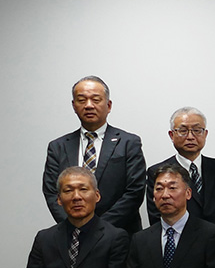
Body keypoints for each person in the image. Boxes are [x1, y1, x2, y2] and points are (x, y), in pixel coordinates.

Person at [42, 76, 145, 234]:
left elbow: (135, 192)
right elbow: (51, 192)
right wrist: (75, 225)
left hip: (120, 234)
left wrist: (97, 228)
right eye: (82, 100)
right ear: (74, 106)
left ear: (108, 105)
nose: (89, 105)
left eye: (96, 100)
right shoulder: (58, 147)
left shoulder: (128, 143)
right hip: (72, 235)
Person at [17, 166, 129, 268]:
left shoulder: (115, 237)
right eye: (68, 191)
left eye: (83, 189)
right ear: (59, 199)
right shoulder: (44, 238)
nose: (76, 197)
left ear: (97, 196)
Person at [123, 162, 215, 268]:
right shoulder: (140, 240)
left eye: (172, 188)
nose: (165, 195)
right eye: (159, 189)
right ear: (153, 196)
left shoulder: (211, 235)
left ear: (188, 193)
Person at [147, 106, 215, 240]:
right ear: (171, 135)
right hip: (180, 246)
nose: (190, 137)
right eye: (183, 131)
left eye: (197, 130)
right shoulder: (157, 172)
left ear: (205, 134)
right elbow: (157, 217)